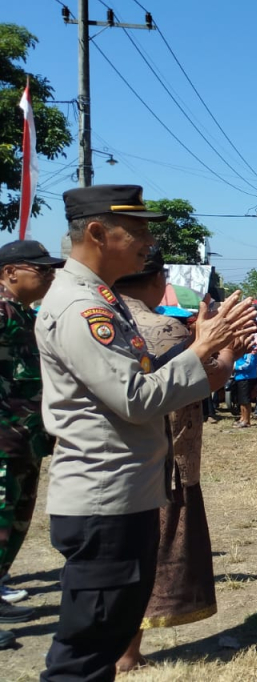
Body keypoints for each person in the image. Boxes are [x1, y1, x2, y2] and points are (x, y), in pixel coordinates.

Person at [37, 185, 254, 682]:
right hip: (104, 501)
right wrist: (201, 349)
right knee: (83, 659)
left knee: (103, 646)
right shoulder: (82, 308)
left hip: (124, 495)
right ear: (97, 232)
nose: (149, 241)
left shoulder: (101, 300)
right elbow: (135, 398)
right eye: (137, 230)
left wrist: (207, 349)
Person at [114, 248, 240, 672]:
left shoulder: (97, 321)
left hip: (105, 463)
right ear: (157, 280)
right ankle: (126, 654)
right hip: (161, 462)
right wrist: (227, 348)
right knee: (148, 555)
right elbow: (208, 377)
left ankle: (117, 651)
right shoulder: (161, 328)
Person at [0, 240, 63, 644]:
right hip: (4, 440)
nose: (50, 276)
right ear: (10, 272)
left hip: (25, 440)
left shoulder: (22, 312)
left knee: (15, 522)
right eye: (41, 270)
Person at [231, 348, 257, 427]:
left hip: (247, 377)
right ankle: (242, 418)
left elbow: (249, 364)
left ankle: (247, 420)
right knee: (241, 400)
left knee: (246, 400)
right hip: (240, 377)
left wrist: (235, 368)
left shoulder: (251, 349)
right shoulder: (242, 349)